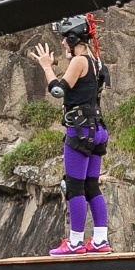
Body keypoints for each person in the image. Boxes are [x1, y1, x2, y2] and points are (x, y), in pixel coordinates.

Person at [32, 15, 113, 254]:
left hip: (80, 131)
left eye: (65, 40)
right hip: (97, 129)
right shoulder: (95, 60)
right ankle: (100, 240)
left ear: (73, 38)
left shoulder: (79, 61)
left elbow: (58, 90)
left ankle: (76, 241)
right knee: (92, 186)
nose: (63, 45)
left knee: (74, 186)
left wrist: (47, 66)